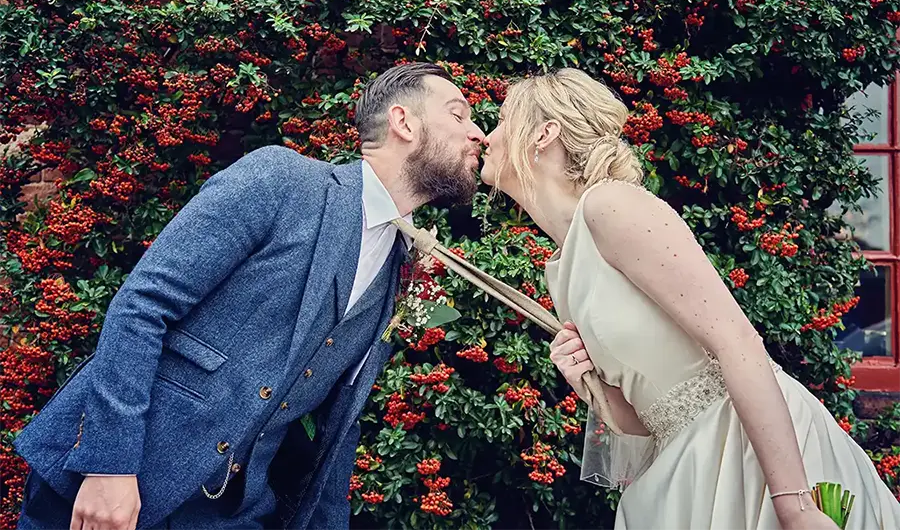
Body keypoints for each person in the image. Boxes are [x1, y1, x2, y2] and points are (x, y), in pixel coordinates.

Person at [15, 62, 485, 530]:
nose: (478, 133)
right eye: (458, 114)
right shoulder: (282, 180)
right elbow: (143, 306)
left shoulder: (399, 265)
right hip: (110, 486)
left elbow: (339, 424)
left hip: (231, 510)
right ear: (404, 122)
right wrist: (109, 467)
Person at [479, 67, 900, 530]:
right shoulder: (561, 266)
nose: (487, 136)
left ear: (544, 134)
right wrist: (585, 382)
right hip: (682, 466)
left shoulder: (612, 206)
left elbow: (737, 341)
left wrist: (793, 505)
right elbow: (643, 422)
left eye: (501, 121)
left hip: (748, 455)